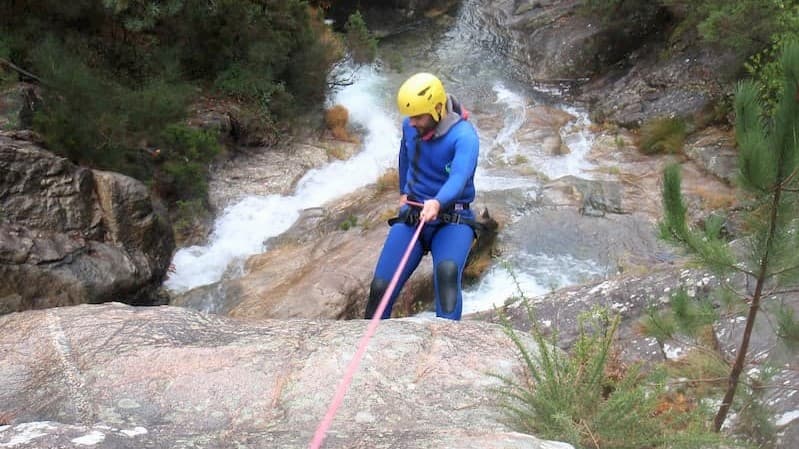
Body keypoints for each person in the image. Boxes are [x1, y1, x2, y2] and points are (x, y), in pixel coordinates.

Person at [364, 72, 479, 321]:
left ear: (437, 108)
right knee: (381, 287)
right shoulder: (410, 126)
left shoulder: (465, 137)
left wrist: (437, 202)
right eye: (410, 116)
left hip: (452, 218)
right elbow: (405, 155)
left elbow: (458, 179)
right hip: (414, 216)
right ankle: (367, 344)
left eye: (418, 116)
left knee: (447, 276)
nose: (412, 122)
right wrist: (405, 190)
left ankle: (445, 349)